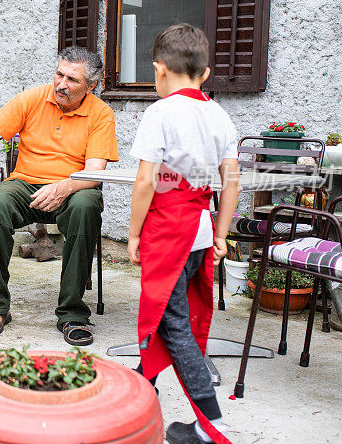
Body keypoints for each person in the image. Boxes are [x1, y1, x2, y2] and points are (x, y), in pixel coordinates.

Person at [0, 46, 118, 346]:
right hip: (27, 184)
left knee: (86, 206)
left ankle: (72, 314)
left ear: (91, 86)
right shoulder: (34, 98)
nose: (61, 84)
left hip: (73, 188)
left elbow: (94, 172)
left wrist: (63, 187)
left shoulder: (101, 114)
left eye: (72, 79)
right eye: (59, 74)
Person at [127, 24, 239, 444]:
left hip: (169, 232)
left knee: (171, 324)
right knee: (170, 315)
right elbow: (231, 184)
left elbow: (145, 183)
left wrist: (134, 235)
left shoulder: (161, 113)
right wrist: (223, 235)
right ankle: (143, 389)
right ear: (205, 73)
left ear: (159, 70)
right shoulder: (219, 115)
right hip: (202, 232)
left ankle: (212, 425)